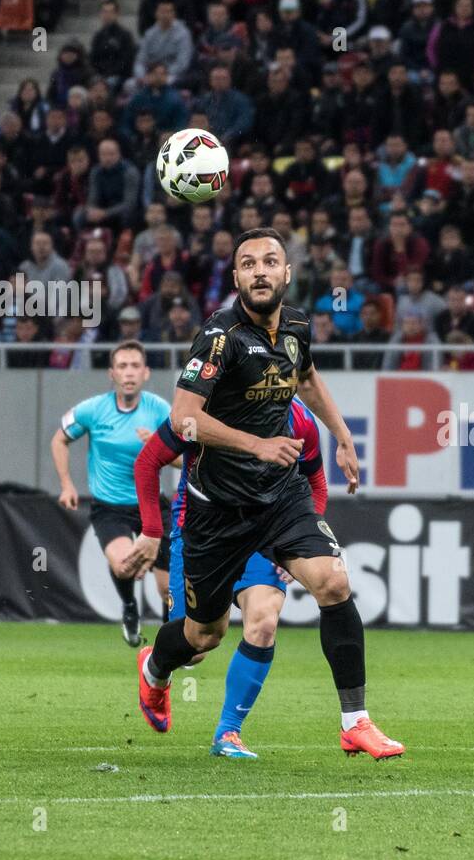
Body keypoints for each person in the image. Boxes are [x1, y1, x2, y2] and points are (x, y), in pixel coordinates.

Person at [122, 228, 404, 760]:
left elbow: (307, 377)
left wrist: (342, 435)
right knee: (204, 635)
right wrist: (256, 444)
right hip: (215, 512)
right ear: (235, 278)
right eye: (248, 263)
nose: (259, 271)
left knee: (334, 582)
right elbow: (183, 420)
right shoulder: (218, 338)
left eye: (269, 261)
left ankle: (355, 721)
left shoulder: (297, 326)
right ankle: (155, 668)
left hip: (279, 498)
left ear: (286, 272)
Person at [129, 396, 326, 759]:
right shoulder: (203, 410)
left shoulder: (299, 418)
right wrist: (151, 530)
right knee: (200, 643)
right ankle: (155, 666)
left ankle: (228, 733)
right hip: (203, 535)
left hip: (263, 536)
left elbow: (316, 483)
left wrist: (299, 538)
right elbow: (149, 461)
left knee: (264, 623)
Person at [50, 340, 172, 647]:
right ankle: (130, 607)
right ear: (111, 374)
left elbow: (188, 456)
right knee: (123, 565)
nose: (128, 373)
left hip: (152, 506)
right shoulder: (93, 409)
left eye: (134, 366)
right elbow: (58, 440)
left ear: (145, 373)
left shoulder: (159, 410)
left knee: (167, 588)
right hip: (111, 508)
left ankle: (172, 639)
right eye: (122, 366)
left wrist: (158, 447)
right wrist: (67, 484)